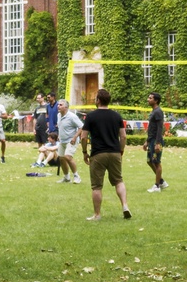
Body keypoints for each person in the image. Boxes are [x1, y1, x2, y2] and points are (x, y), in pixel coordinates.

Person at [79, 87, 131, 221]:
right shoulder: (116, 116)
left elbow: (83, 137)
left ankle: (97, 214)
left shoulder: (91, 116)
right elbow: (123, 136)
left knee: (97, 186)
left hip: (98, 154)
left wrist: (84, 152)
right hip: (114, 152)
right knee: (118, 181)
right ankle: (125, 206)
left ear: (98, 100)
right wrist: (121, 151)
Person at [143, 92, 168, 192]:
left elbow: (159, 128)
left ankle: (157, 186)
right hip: (152, 140)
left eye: (150, 98)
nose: (148, 99)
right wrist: (147, 141)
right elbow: (152, 129)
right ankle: (161, 181)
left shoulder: (158, 112)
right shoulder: (154, 111)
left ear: (156, 100)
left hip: (156, 141)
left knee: (157, 163)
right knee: (150, 161)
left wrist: (157, 143)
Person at [55, 99, 83, 184]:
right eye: (58, 105)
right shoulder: (59, 115)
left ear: (66, 107)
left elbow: (81, 127)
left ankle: (76, 176)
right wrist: (59, 135)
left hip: (71, 141)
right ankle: (66, 178)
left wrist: (75, 137)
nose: (58, 106)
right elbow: (61, 126)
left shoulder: (72, 116)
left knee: (68, 157)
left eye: (60, 105)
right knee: (61, 158)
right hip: (62, 141)